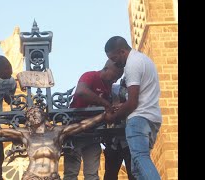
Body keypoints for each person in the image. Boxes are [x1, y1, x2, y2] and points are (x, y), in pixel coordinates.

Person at [0, 105, 106, 180]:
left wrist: (104, 115)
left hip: (52, 177)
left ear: (43, 115)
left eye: (36, 112)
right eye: (29, 115)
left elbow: (82, 126)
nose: (33, 116)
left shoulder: (58, 132)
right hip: (31, 176)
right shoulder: (26, 134)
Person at [104, 36, 162, 180]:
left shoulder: (132, 65)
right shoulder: (144, 60)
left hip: (138, 119)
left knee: (140, 158)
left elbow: (132, 103)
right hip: (152, 117)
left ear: (122, 51)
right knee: (136, 170)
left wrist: (113, 116)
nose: (114, 62)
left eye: (114, 58)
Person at [63, 59, 124, 180]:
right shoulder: (90, 76)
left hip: (93, 135)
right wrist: (106, 104)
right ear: (106, 69)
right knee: (71, 174)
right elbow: (81, 92)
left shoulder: (110, 89)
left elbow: (114, 107)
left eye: (118, 77)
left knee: (92, 175)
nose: (115, 80)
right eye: (115, 75)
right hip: (75, 132)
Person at [102, 78, 135, 180]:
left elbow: (134, 103)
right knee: (110, 174)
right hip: (112, 140)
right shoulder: (107, 91)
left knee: (134, 173)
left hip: (128, 138)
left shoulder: (121, 90)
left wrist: (124, 106)